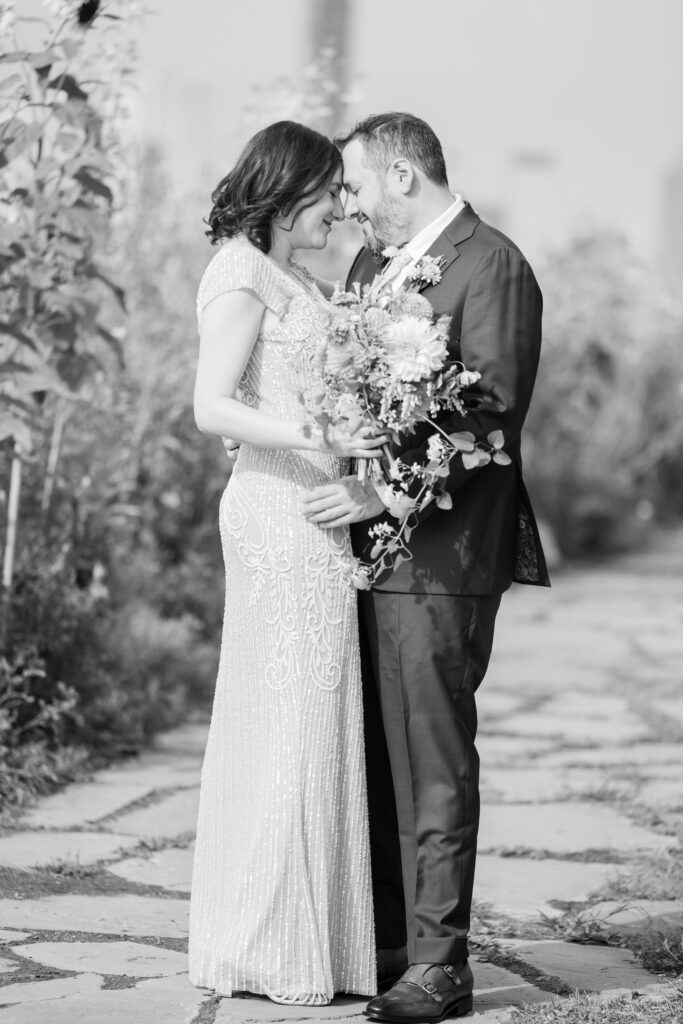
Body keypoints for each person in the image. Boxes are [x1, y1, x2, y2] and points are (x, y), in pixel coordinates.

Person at [303, 112, 550, 1023]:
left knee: (433, 755)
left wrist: (388, 496)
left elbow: (490, 417)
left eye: (359, 186)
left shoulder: (493, 265)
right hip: (358, 555)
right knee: (372, 751)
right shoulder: (373, 271)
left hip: (441, 552)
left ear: (402, 175)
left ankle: (443, 965)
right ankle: (387, 946)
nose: (353, 206)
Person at [189, 120, 387, 1007]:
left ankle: (310, 934)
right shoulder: (239, 269)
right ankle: (270, 938)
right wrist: (325, 434)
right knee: (293, 717)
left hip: (314, 511)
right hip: (274, 511)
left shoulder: (297, 275)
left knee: (310, 717)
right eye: (326, 194)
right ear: (284, 189)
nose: (337, 209)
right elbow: (209, 407)